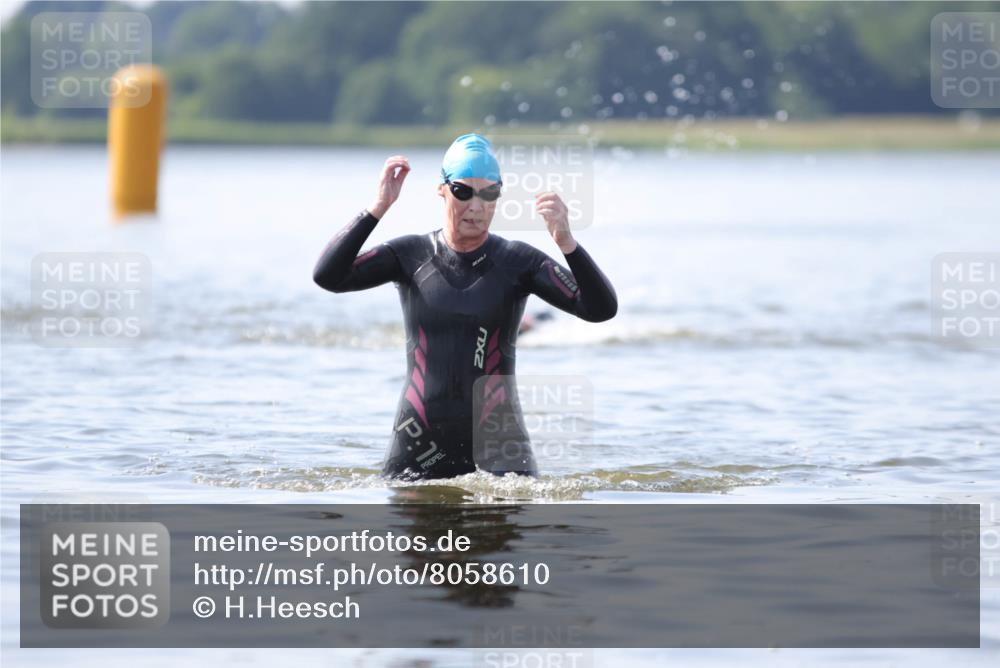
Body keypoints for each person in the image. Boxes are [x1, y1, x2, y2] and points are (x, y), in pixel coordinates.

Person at [313, 133, 617, 480]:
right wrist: (378, 207)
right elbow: (328, 276)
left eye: (489, 193)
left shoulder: (519, 262)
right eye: (463, 191)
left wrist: (568, 244)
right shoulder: (410, 255)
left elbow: (600, 309)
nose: (476, 205)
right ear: (442, 189)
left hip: (501, 448)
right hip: (418, 443)